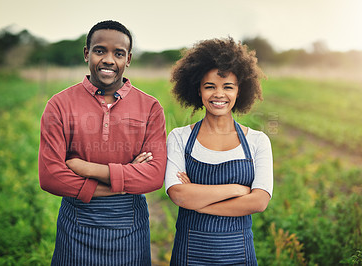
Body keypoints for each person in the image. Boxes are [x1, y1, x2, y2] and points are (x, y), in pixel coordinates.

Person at [38, 20, 167, 265]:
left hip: (131, 230)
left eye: (118, 53)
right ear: (87, 53)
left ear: (128, 59)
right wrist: (126, 178)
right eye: (100, 51)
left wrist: (85, 168)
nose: (109, 59)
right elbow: (50, 177)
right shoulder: (60, 104)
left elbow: (154, 176)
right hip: (76, 229)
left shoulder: (150, 107)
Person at [164, 37, 273, 265]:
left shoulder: (257, 141)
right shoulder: (179, 138)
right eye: (210, 86)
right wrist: (236, 189)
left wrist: (198, 202)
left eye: (228, 87)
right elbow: (179, 195)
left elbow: (259, 202)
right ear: (198, 90)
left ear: (240, 91)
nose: (218, 94)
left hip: (239, 255)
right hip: (189, 253)